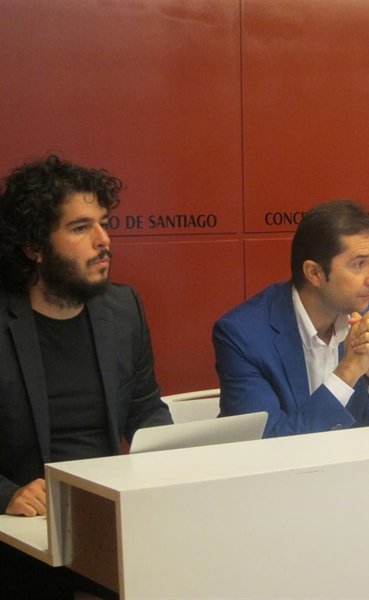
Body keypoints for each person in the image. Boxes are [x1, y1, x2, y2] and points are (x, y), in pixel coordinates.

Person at [0, 155, 172, 598]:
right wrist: (7, 495)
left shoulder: (123, 308)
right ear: (35, 247)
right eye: (80, 228)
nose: (103, 240)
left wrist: (170, 457)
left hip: (109, 521)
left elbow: (145, 407)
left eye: (103, 224)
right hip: (25, 535)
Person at [213, 199, 369, 437]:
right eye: (359, 264)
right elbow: (266, 444)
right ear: (314, 273)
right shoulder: (243, 336)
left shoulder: (368, 322)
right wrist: (347, 372)